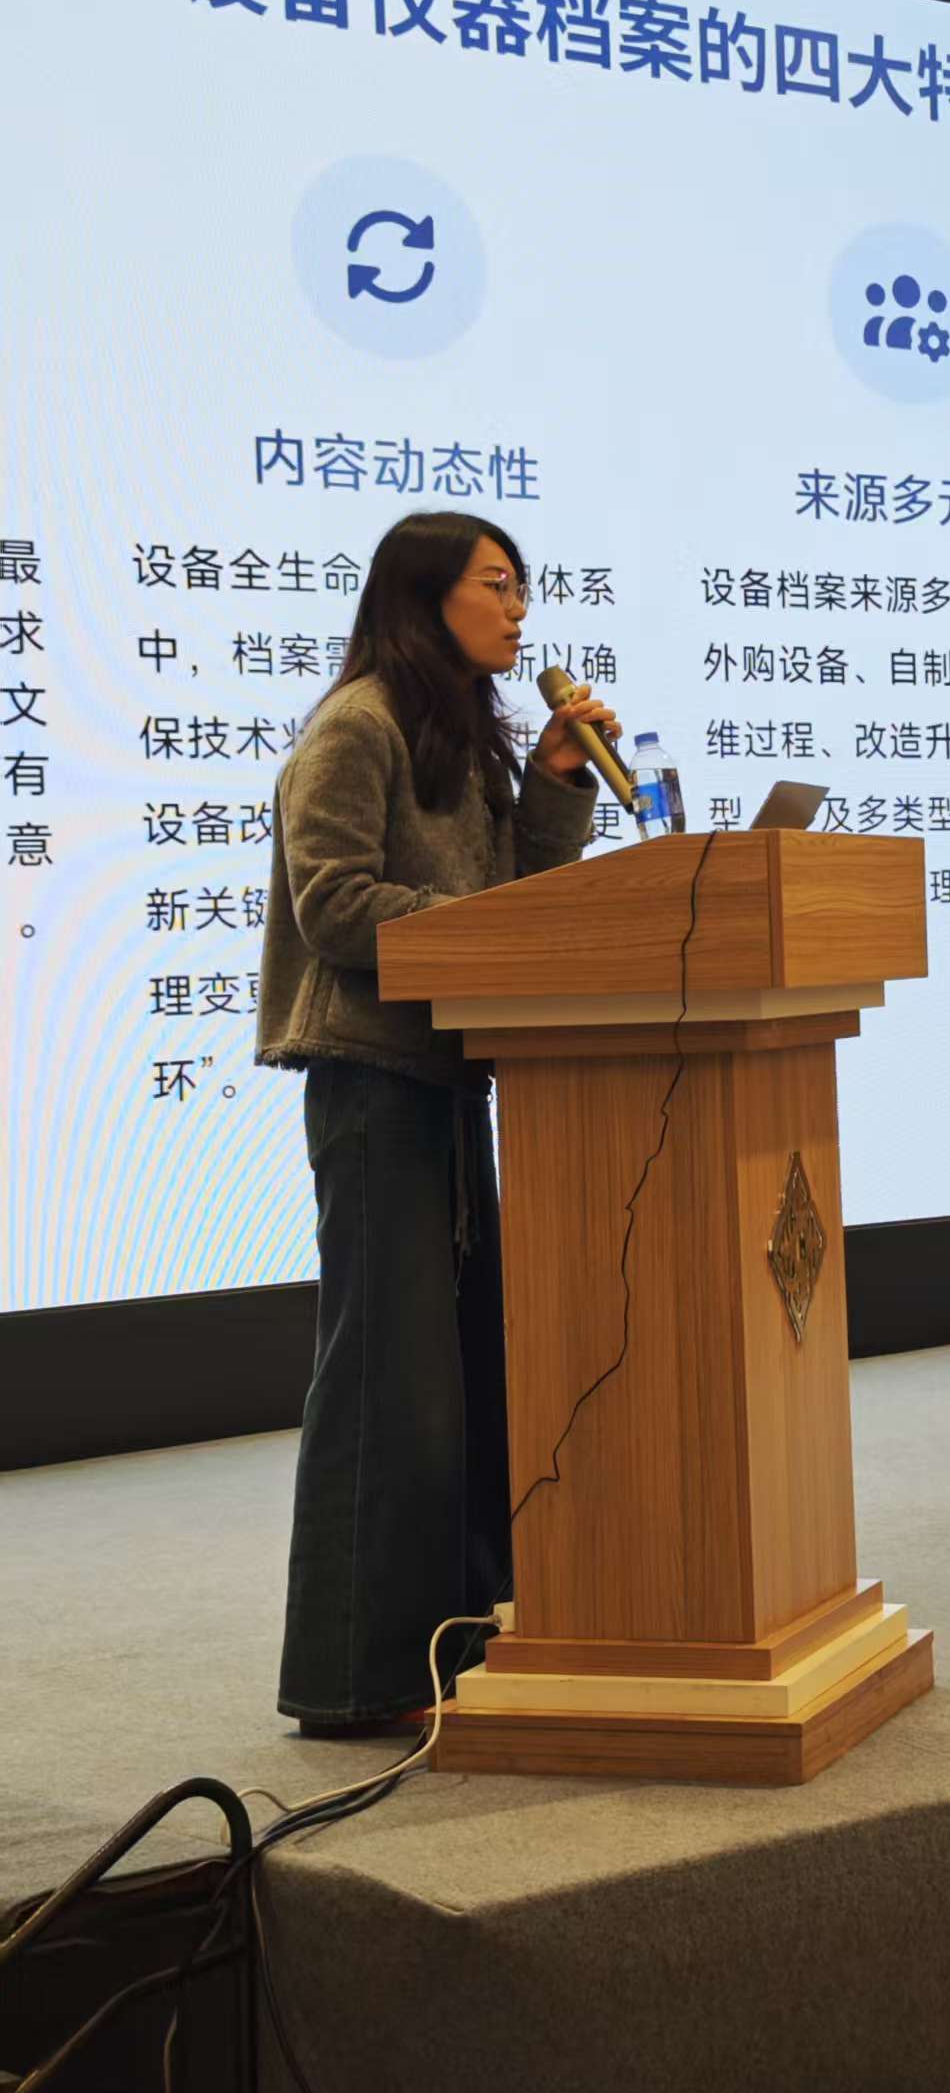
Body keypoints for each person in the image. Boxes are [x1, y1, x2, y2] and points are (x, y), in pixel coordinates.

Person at [255, 510, 618, 1732]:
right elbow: (333, 902)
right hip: (372, 1081)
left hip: (449, 1077)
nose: (519, 610)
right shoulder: (355, 724)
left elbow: (512, 898)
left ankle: (450, 1642)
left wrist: (556, 784)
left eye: (522, 587)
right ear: (426, 597)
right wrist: (477, 933)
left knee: (457, 1381)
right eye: (497, 585)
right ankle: (354, 1680)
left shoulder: (459, 734)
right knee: (386, 1386)